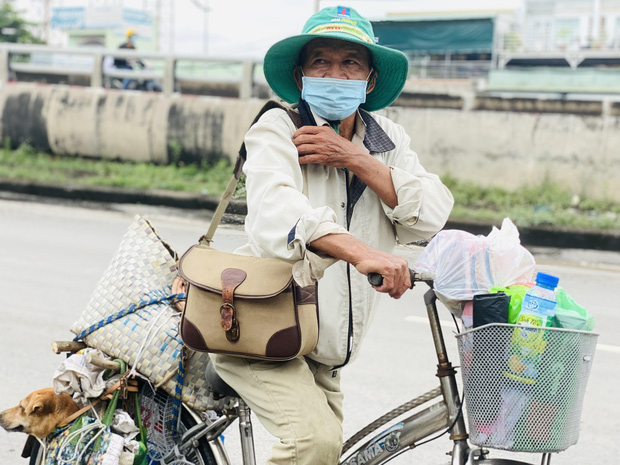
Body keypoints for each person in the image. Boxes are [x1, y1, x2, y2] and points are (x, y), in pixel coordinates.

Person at [210, 6, 454, 465]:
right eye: (321, 61)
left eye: (351, 63)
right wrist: (362, 254)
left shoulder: (388, 140)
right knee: (314, 447)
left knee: (327, 456)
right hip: (260, 331)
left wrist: (359, 160)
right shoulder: (279, 129)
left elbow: (432, 212)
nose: (336, 74)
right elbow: (276, 215)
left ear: (371, 80)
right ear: (301, 77)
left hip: (324, 347)